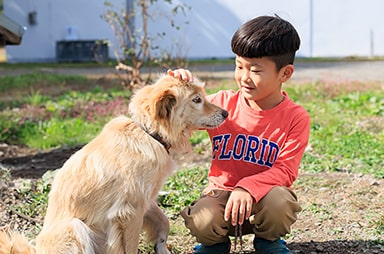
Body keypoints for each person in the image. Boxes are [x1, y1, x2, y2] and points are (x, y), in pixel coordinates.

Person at [167, 15, 310, 254]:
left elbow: (285, 170)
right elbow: (182, 118)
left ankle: (268, 241)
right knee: (203, 219)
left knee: (280, 203)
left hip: (265, 197)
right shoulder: (221, 104)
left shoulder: (295, 117)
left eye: (255, 70)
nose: (244, 77)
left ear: (285, 74)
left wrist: (247, 188)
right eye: (239, 66)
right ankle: (215, 243)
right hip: (221, 196)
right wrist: (180, 87)